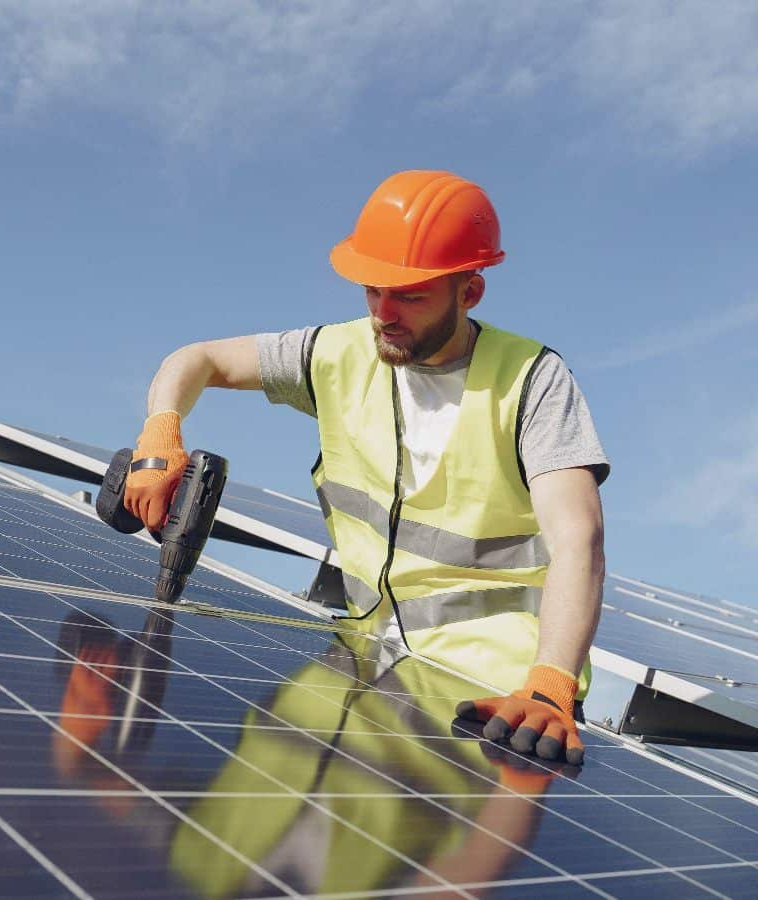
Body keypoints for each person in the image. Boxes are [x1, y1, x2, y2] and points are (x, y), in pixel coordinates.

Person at [122, 170, 608, 765]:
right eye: (373, 290)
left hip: (500, 695)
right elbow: (196, 358)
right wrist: (160, 430)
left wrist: (550, 682)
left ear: (470, 292)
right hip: (372, 659)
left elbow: (578, 537)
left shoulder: (532, 379)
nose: (384, 313)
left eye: (410, 295)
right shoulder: (337, 353)